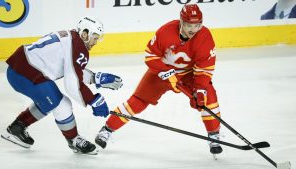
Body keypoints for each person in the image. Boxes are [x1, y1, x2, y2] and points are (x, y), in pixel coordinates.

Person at [94, 3, 223, 155]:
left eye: (197, 25)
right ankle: (107, 129)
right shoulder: (166, 31)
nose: (193, 30)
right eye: (189, 25)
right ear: (181, 22)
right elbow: (150, 57)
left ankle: (214, 135)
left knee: (207, 96)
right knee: (137, 101)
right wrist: (168, 74)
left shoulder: (205, 36)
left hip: (189, 74)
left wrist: (200, 90)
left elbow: (204, 67)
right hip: (161, 72)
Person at [1, 16, 123, 155]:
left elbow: (71, 69)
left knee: (50, 100)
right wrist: (93, 100)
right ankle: (73, 140)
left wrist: (96, 78)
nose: (95, 42)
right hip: (25, 73)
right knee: (61, 104)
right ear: (84, 33)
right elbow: (72, 83)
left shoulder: (72, 38)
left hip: (21, 69)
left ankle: (16, 128)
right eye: (94, 37)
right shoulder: (78, 46)